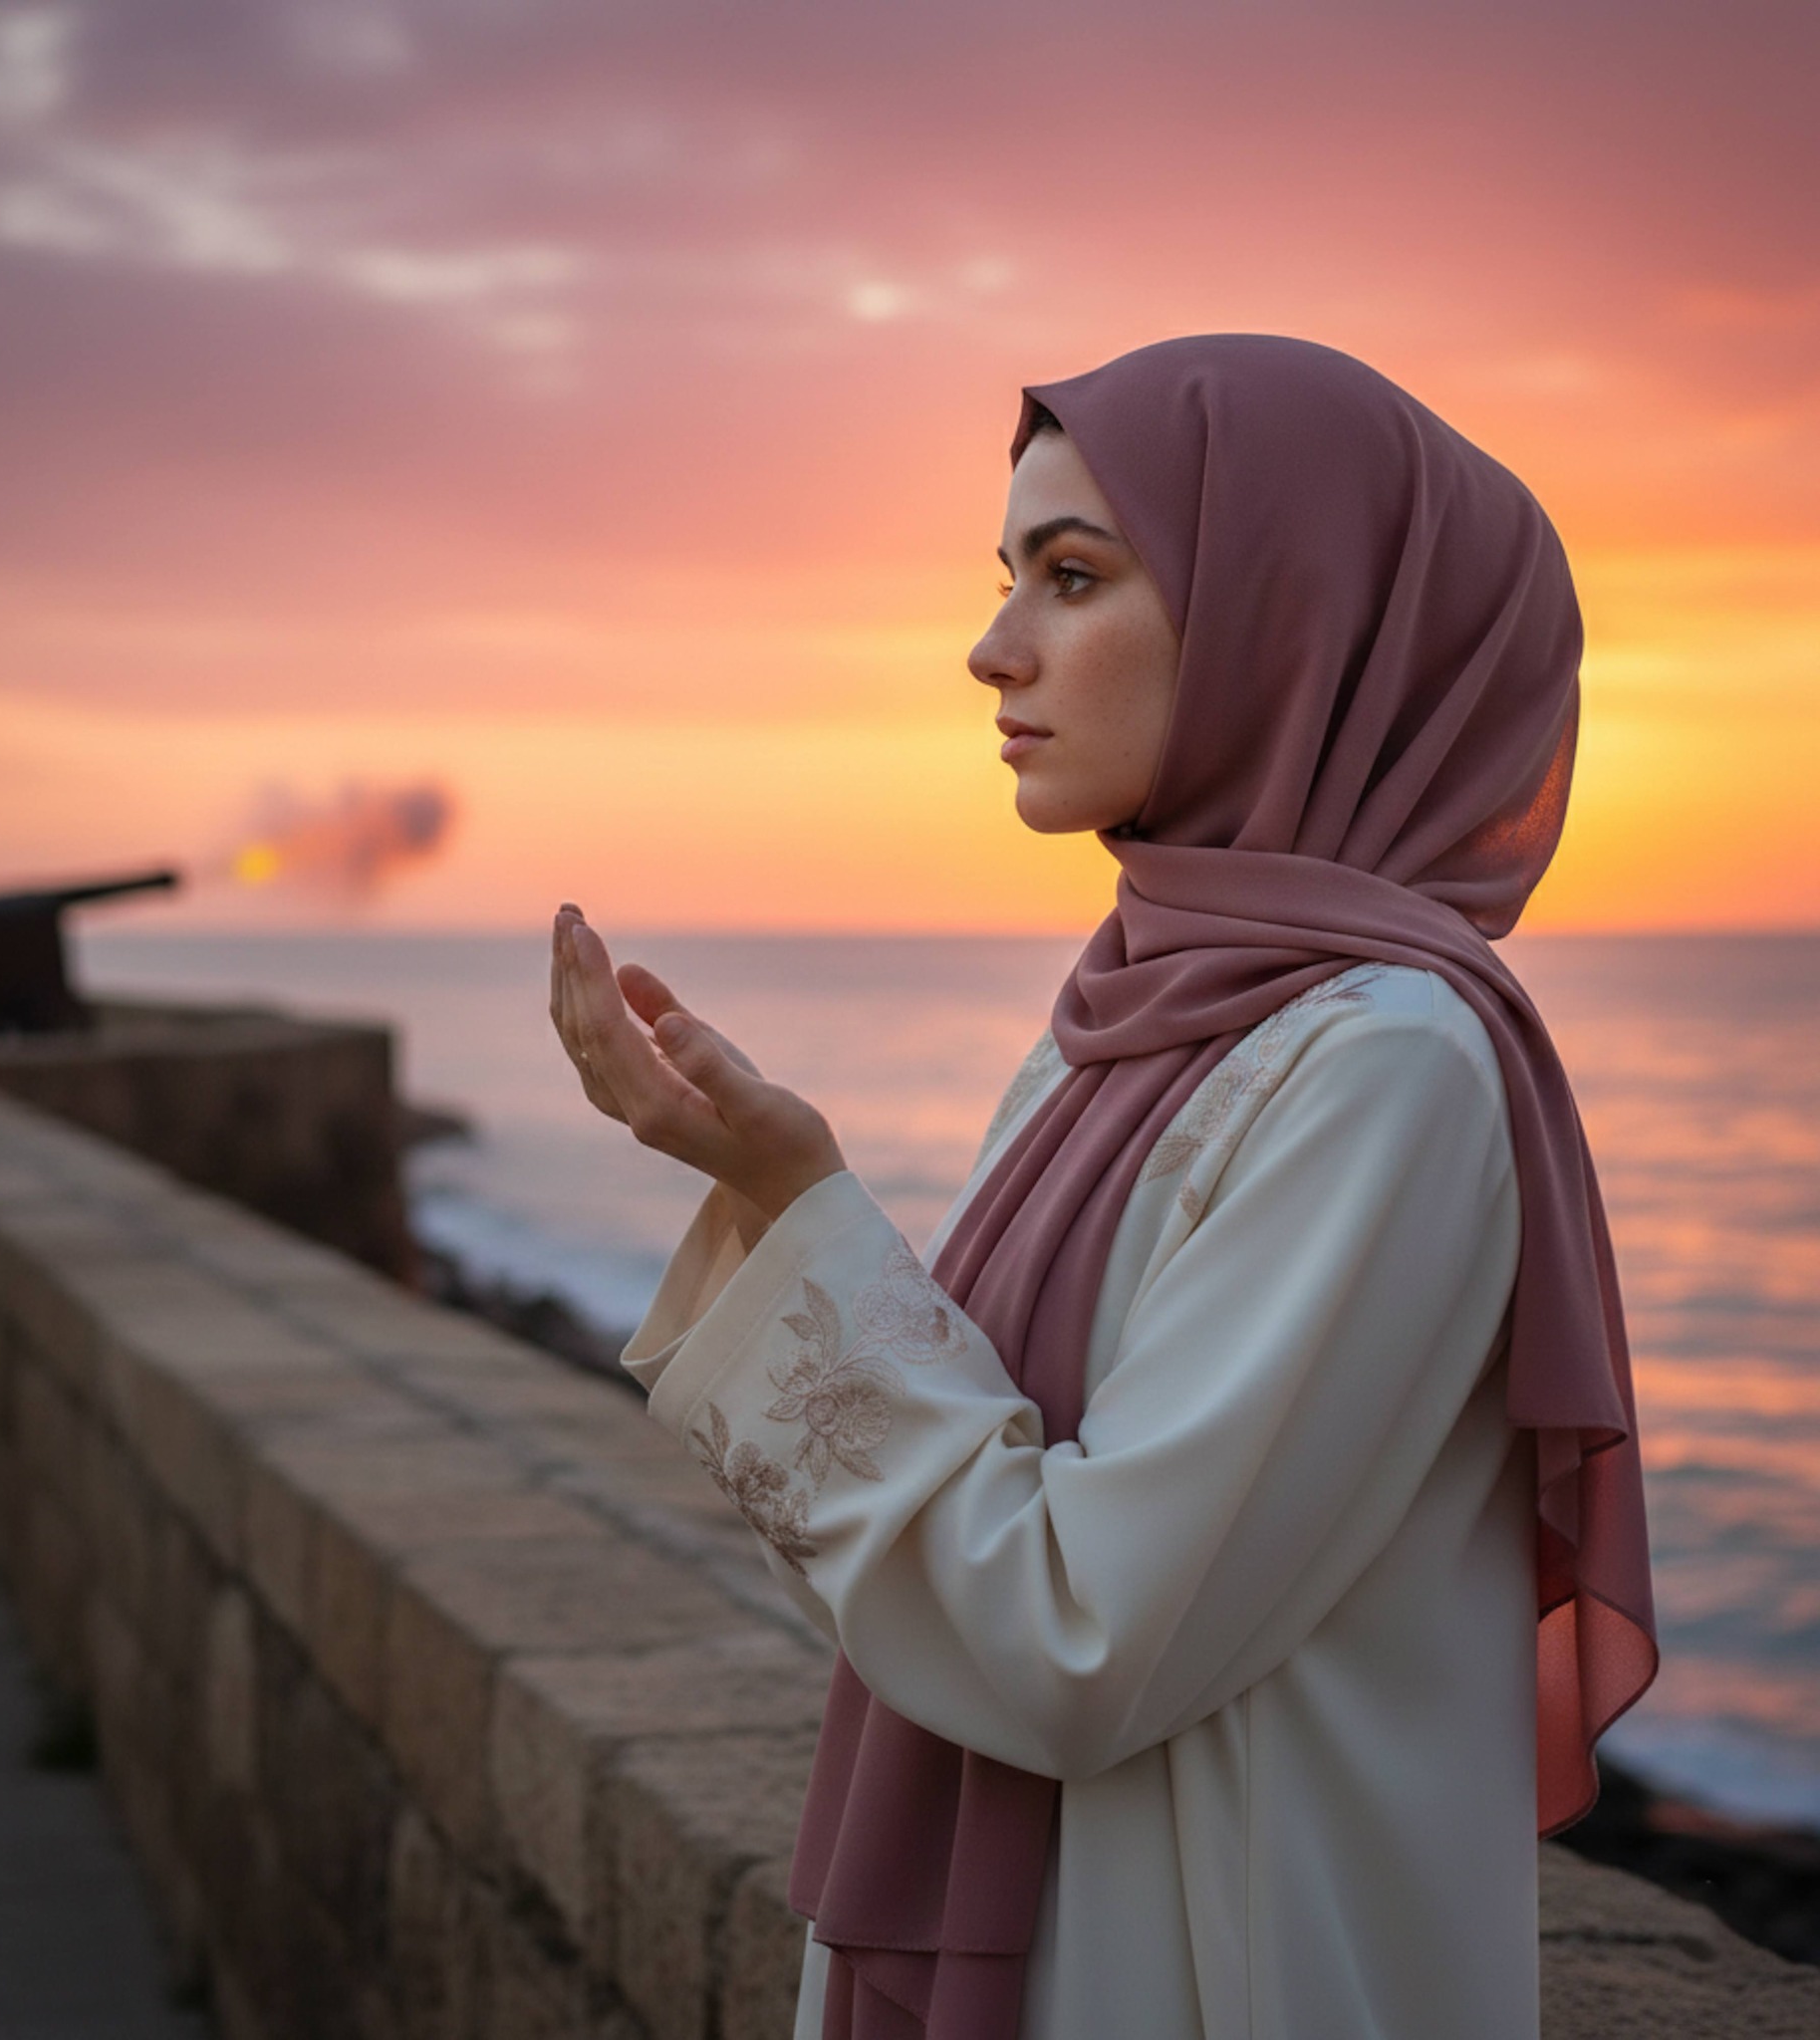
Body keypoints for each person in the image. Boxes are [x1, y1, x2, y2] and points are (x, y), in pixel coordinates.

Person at [547, 333, 1657, 2040]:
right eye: (1007, 580)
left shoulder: (1385, 1068)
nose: (993, 652)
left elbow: (1074, 1638)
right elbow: (939, 1570)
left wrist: (805, 1218)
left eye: (1072, 578)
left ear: (1295, 622)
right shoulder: (1128, 1026)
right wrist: (778, 1195)